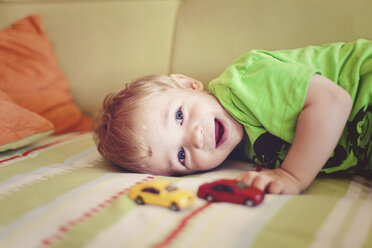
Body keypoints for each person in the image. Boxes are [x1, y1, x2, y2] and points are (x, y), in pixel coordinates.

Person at [94, 39, 372, 194]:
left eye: (179, 115)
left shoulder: (245, 81)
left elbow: (334, 102)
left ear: (189, 84)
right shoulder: (241, 150)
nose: (194, 137)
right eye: (180, 156)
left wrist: (291, 176)